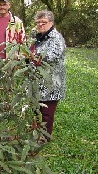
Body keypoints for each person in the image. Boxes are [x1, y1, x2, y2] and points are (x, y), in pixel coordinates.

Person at [33, 10, 66, 140]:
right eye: (38, 22)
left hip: (52, 82)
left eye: (44, 22)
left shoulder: (56, 38)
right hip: (38, 81)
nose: (40, 24)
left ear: (51, 23)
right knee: (37, 109)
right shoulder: (39, 37)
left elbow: (51, 57)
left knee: (47, 113)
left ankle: (45, 137)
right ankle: (36, 132)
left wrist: (30, 57)